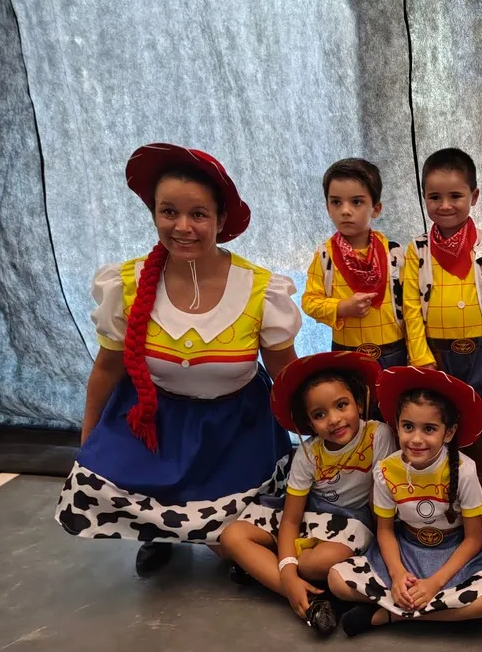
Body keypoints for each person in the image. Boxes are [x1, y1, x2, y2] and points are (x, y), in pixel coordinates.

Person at [56, 143, 300, 575]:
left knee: (236, 539)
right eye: (169, 212)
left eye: (198, 214)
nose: (182, 227)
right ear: (154, 213)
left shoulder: (262, 290)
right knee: (104, 478)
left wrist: (321, 445)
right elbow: (107, 369)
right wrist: (87, 441)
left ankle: (230, 538)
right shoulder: (127, 284)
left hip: (236, 434)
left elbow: (289, 378)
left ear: (221, 220)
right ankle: (161, 532)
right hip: (158, 429)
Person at [328, 367, 482, 636]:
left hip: (454, 550)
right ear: (397, 425)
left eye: (429, 429)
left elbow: (473, 539)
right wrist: (397, 574)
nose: (416, 439)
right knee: (336, 580)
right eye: (408, 427)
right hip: (407, 547)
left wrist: (434, 583)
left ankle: (392, 616)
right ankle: (429, 608)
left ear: (449, 432)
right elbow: (385, 530)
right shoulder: (386, 470)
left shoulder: (465, 471)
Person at [221, 351, 395, 637]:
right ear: (309, 423)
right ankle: (303, 595)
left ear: (358, 402)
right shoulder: (307, 453)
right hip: (309, 515)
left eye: (341, 405)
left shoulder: (379, 435)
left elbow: (381, 503)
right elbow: (291, 519)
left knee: (314, 563)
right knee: (232, 536)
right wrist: (288, 571)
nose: (334, 419)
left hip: (352, 521)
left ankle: (268, 571)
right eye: (319, 414)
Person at [402, 148, 482, 519]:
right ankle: (441, 489)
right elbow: (411, 306)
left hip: (479, 351)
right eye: (435, 197)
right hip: (435, 353)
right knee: (436, 420)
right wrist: (420, 356)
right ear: (424, 197)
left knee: (477, 421)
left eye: (455, 196)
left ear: (474, 196)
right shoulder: (418, 249)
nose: (445, 205)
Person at [302, 159, 407, 370]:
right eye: (336, 202)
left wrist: (418, 354)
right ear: (327, 207)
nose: (345, 211)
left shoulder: (394, 254)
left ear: (376, 208)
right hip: (346, 351)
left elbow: (410, 306)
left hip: (394, 350)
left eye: (357, 202)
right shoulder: (325, 257)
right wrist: (341, 307)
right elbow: (309, 301)